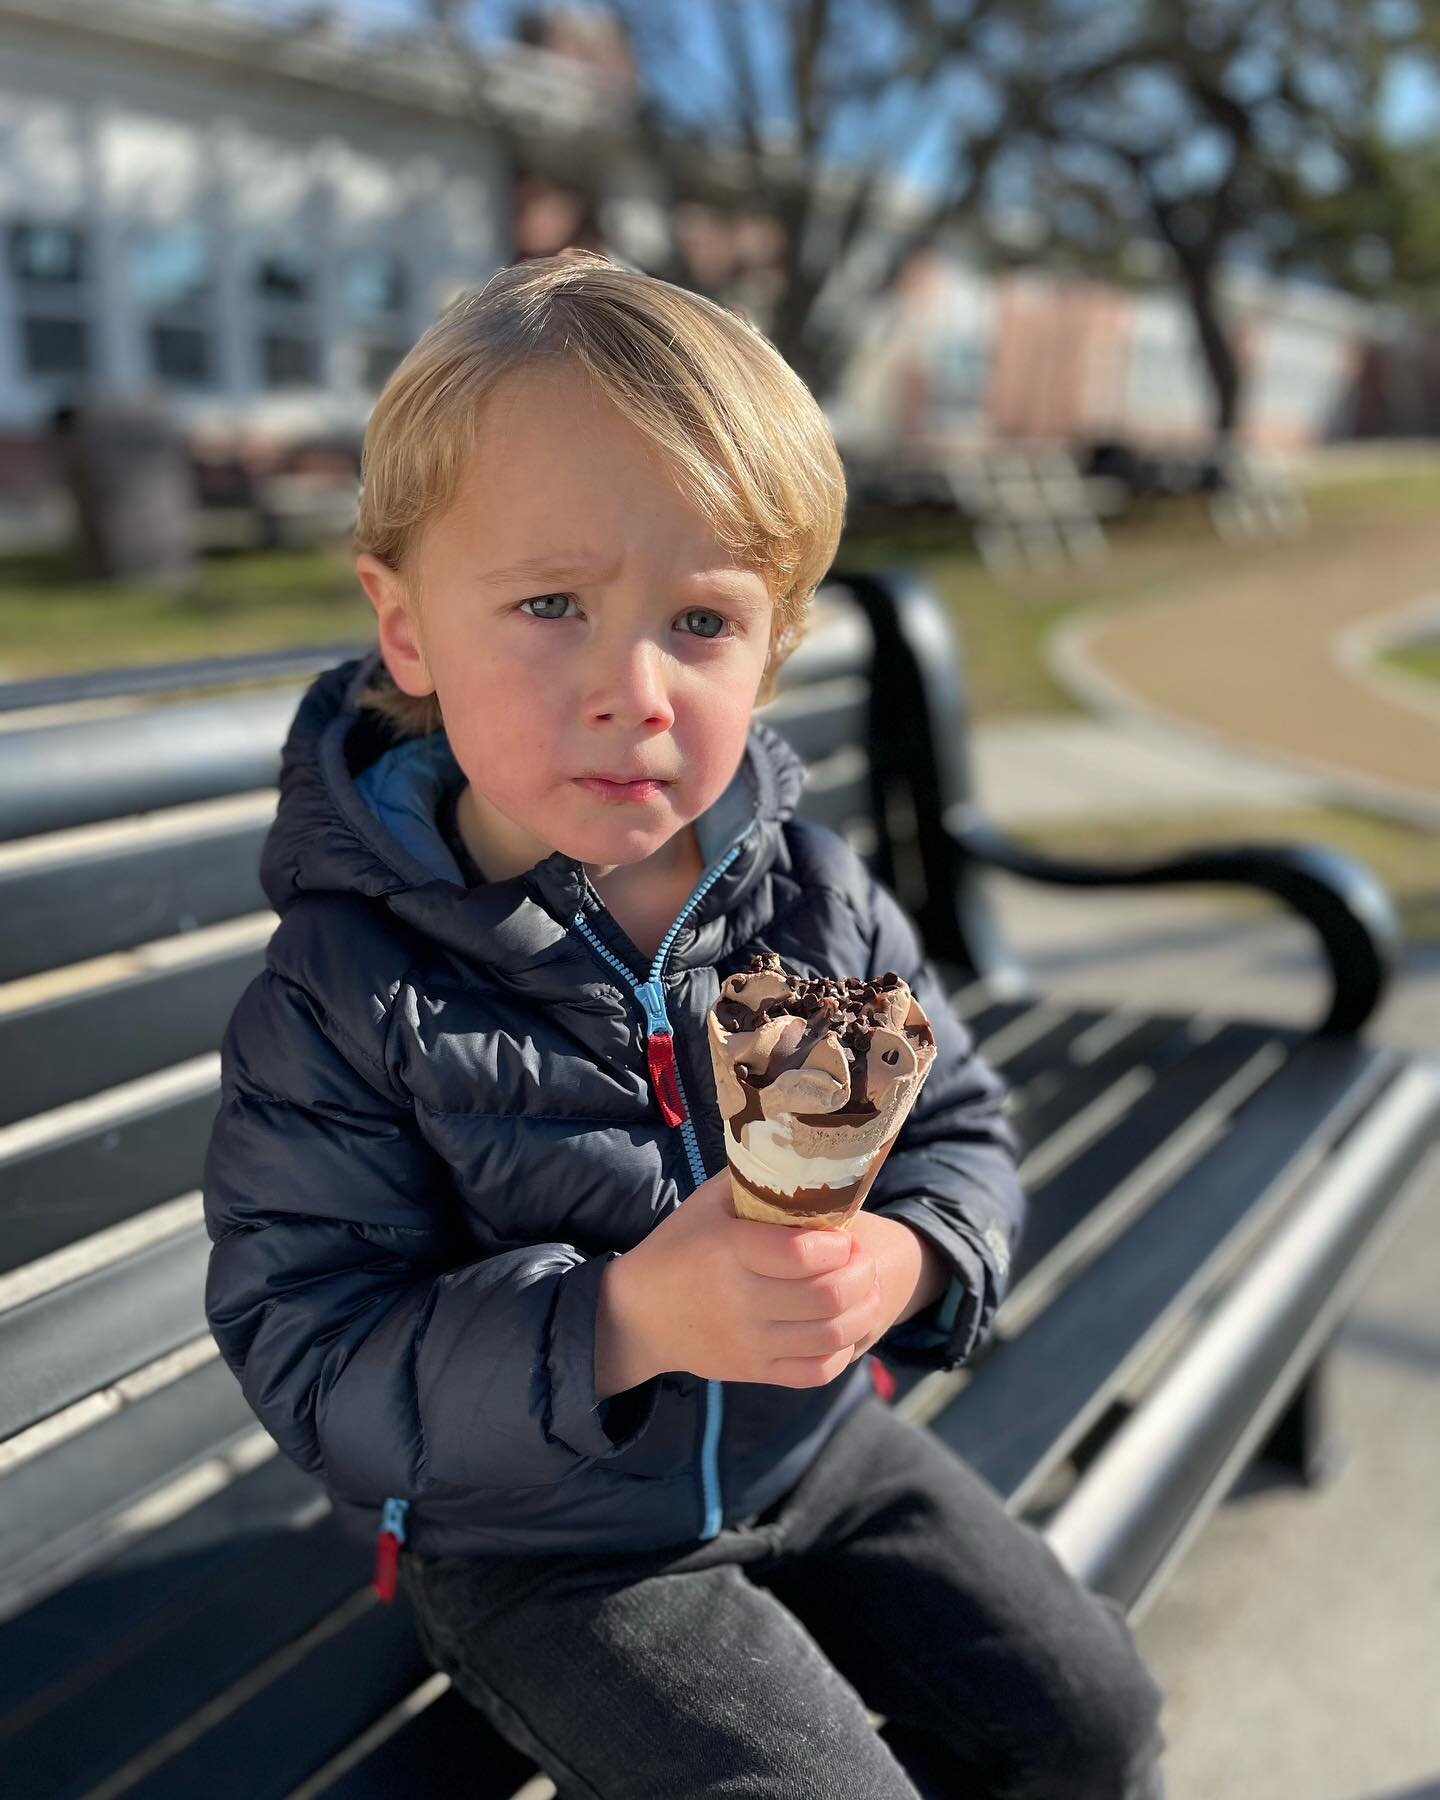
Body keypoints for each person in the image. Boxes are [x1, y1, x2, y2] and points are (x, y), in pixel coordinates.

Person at [202, 250, 1166, 1799]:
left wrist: (903, 1262)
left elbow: (960, 1127)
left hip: (817, 1448)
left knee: (1092, 1713)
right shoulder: (349, 987)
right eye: (550, 605)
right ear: (408, 629)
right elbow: (312, 1355)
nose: (633, 689)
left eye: (702, 621)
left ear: (774, 644)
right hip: (543, 1540)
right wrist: (627, 1322)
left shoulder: (807, 896)